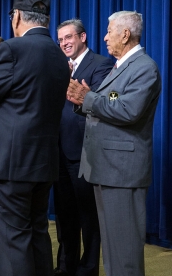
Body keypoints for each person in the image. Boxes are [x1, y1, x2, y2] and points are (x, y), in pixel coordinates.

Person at [0, 0, 70, 276]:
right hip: (42, 162)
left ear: (17, 16)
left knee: (12, 240)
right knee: (37, 233)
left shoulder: (12, 48)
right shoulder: (59, 56)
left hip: (8, 164)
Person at [66, 11, 161, 276]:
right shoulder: (120, 67)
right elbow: (112, 100)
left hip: (122, 172)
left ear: (125, 34)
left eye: (109, 32)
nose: (105, 37)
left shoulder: (144, 67)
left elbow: (128, 110)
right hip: (105, 168)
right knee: (112, 249)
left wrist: (88, 98)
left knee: (125, 252)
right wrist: (84, 100)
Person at [52, 19, 114, 276]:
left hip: (85, 153)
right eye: (61, 40)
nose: (64, 43)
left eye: (69, 38)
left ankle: (87, 270)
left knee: (89, 219)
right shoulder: (58, 66)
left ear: (83, 37)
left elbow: (102, 103)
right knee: (65, 217)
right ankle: (66, 268)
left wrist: (69, 82)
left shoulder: (102, 64)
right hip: (58, 153)